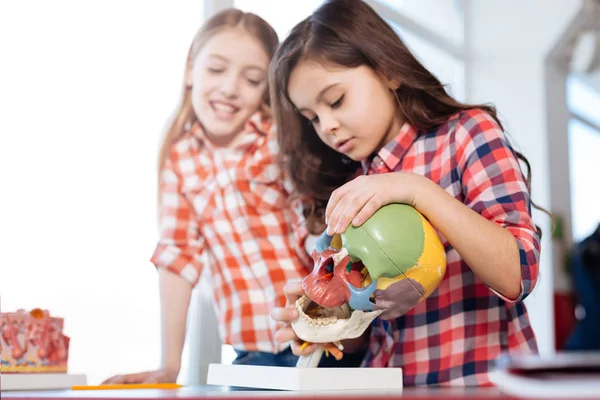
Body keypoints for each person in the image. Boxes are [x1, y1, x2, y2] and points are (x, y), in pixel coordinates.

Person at [269, 0, 550, 386]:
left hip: (480, 387)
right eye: (312, 118)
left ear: (388, 71)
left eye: (336, 101)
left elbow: (517, 273)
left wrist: (417, 190)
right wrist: (324, 324)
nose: (328, 127)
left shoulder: (467, 133)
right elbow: (367, 324)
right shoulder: (348, 188)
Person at [103, 9, 313, 384]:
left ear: (266, 88)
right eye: (216, 70)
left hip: (321, 344)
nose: (230, 88)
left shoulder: (278, 141)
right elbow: (177, 256)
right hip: (253, 359)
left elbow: (317, 233)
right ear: (190, 71)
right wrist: (170, 366)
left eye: (251, 79)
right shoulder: (179, 158)